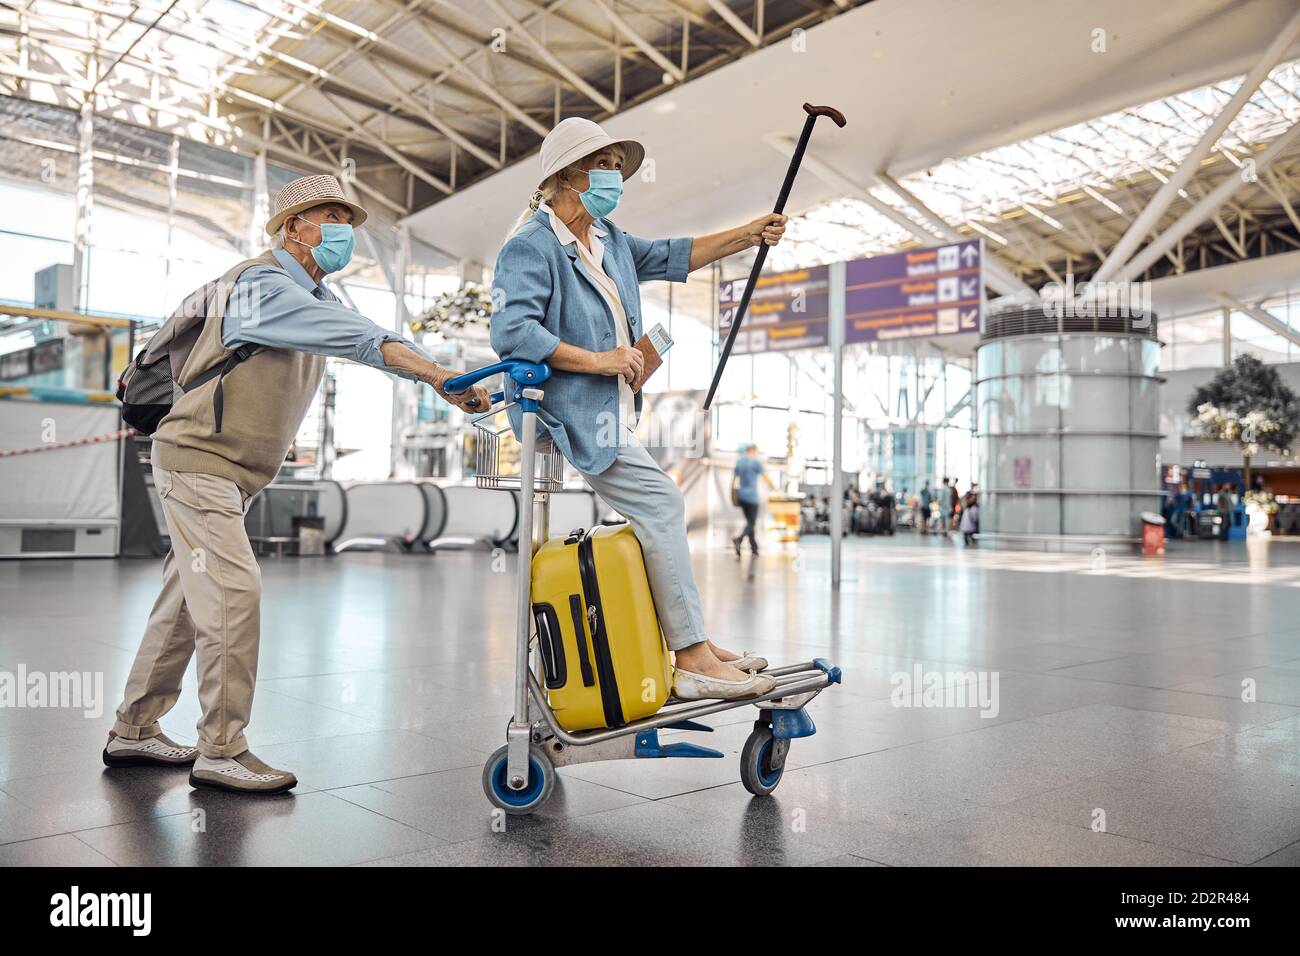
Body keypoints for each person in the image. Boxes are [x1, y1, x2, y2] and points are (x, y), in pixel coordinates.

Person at [106, 175, 491, 795]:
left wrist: (438, 376)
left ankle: (133, 728)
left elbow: (374, 339)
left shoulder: (315, 295)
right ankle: (222, 748)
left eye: (348, 218)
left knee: (184, 602)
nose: (344, 229)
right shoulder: (262, 286)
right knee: (234, 592)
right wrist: (438, 375)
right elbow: (362, 339)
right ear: (293, 228)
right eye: (330, 216)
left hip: (232, 470)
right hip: (199, 459)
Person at [491, 117, 787, 701]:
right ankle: (692, 655)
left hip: (614, 411)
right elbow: (513, 331)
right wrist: (599, 360)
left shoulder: (611, 240)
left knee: (657, 510)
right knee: (661, 502)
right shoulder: (530, 246)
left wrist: (749, 235)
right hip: (569, 411)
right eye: (605, 166)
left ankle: (691, 640)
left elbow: (678, 254)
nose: (617, 177)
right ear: (571, 176)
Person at [732, 443, 777, 556]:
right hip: (752, 498)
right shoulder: (755, 462)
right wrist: (776, 488)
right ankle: (739, 539)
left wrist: (733, 495)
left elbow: (734, 480)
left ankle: (754, 548)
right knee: (751, 523)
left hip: (741, 497)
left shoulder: (740, 462)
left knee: (750, 523)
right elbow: (765, 477)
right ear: (753, 451)